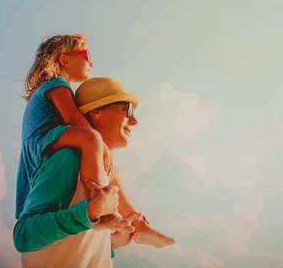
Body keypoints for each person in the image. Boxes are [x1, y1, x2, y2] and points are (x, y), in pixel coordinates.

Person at [15, 34, 174, 245]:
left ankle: (138, 224)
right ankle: (100, 204)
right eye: (87, 55)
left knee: (111, 171)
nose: (91, 62)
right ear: (64, 60)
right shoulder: (57, 85)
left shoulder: (59, 87)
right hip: (42, 140)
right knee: (91, 138)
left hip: (47, 140)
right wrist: (100, 144)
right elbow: (72, 118)